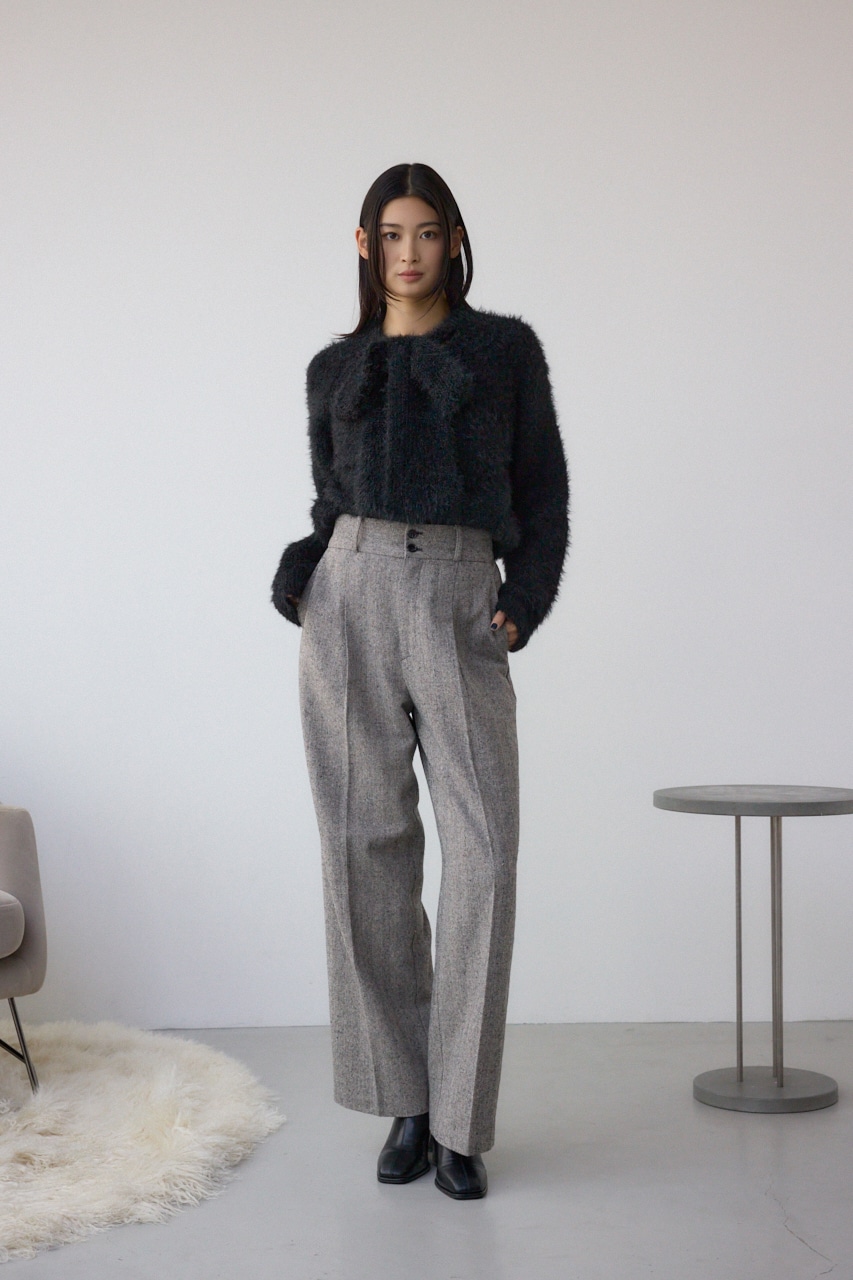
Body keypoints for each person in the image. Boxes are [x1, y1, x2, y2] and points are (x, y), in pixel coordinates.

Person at [272, 163, 569, 1200]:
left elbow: (542, 487)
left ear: (453, 241)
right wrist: (303, 566)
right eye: (391, 234)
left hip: (455, 591)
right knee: (363, 846)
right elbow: (329, 497)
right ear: (365, 245)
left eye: (428, 232)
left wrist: (524, 596)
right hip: (347, 593)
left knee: (483, 848)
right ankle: (403, 1100)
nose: (410, 251)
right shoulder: (332, 368)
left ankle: (460, 1120)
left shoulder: (503, 351)